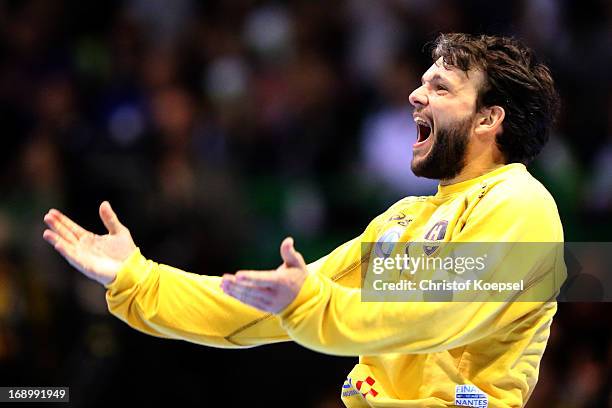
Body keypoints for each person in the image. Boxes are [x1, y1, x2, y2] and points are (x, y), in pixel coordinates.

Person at [43, 33, 564, 407]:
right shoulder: (402, 220)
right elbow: (263, 311)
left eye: (442, 88)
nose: (415, 95)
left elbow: (431, 315)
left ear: (488, 119)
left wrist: (307, 303)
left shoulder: (521, 204)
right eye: (423, 83)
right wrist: (138, 279)